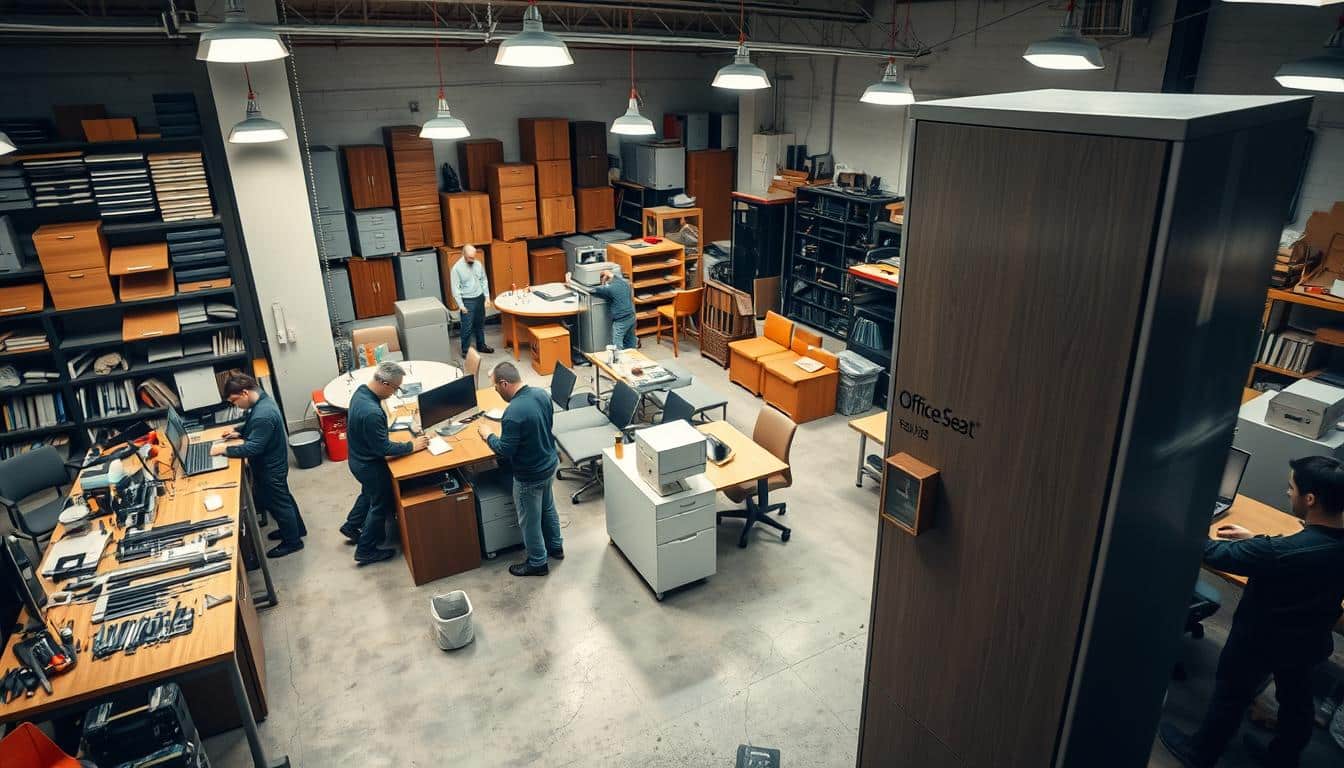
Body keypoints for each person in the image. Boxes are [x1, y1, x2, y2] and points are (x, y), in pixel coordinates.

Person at [1160, 455, 1344, 768]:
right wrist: (1258, 541)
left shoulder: (1277, 553)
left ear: (1310, 499)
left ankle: (1200, 754)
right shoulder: (1315, 544)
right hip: (1309, 642)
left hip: (1260, 641)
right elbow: (1302, 554)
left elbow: (1212, 552)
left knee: (1230, 697)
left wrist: (1182, 516)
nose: (1288, 493)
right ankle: (1281, 759)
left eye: (1292, 488)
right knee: (1296, 704)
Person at [478, 361, 563, 577]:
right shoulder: (541, 394)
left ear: (504, 383)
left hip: (529, 476)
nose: (497, 392)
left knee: (529, 521)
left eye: (496, 387)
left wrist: (488, 435)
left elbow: (505, 450)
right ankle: (556, 547)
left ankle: (537, 562)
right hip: (549, 463)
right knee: (547, 507)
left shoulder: (513, 412)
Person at [341, 361, 429, 565]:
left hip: (357, 459)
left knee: (368, 493)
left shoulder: (361, 392)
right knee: (381, 503)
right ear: (384, 383)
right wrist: (412, 445)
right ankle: (366, 550)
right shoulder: (371, 411)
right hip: (369, 465)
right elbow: (383, 449)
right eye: (396, 388)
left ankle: (351, 526)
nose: (395, 393)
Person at [212, 374, 307, 559]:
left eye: (234, 401)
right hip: (274, 462)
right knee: (283, 498)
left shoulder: (263, 414)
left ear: (244, 393)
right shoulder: (262, 402)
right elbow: (254, 426)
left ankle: (293, 542)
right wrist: (238, 431)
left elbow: (254, 447)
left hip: (269, 467)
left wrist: (224, 449)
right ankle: (296, 530)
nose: (235, 406)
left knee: (278, 503)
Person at [450, 244, 494, 357]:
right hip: (467, 300)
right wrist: (461, 305)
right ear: (463, 254)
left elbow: (484, 280)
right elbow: (455, 288)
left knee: (480, 324)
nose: (472, 260)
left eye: (473, 257)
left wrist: (487, 297)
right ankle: (465, 351)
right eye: (470, 258)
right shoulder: (456, 269)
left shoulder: (478, 264)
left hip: (479, 298)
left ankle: (481, 345)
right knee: (467, 327)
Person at [592, 268, 636, 350]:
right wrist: (609, 274)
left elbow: (593, 290)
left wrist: (603, 282)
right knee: (631, 342)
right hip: (631, 317)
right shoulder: (623, 283)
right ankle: (634, 358)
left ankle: (618, 360)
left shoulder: (610, 289)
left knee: (617, 344)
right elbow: (613, 277)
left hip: (620, 320)